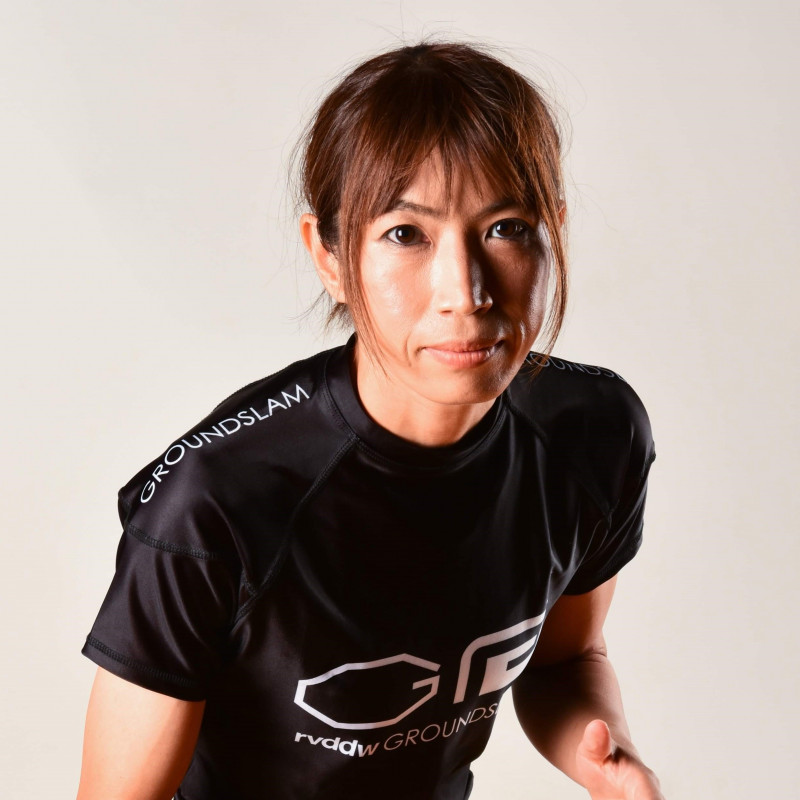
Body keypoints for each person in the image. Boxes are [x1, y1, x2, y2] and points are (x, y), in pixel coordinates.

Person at [77, 40, 664, 800]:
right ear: (328, 257)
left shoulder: (593, 434)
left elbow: (564, 660)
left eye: (507, 227)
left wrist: (609, 765)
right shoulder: (214, 503)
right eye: (405, 234)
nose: (465, 292)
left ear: (553, 230)